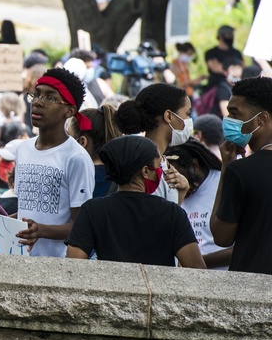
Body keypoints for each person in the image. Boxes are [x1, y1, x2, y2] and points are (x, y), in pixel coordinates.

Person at [65, 135, 204, 268]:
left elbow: (73, 265)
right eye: (158, 166)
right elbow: (196, 268)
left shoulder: (92, 210)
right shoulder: (172, 213)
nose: (160, 172)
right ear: (145, 171)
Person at [14, 68, 95, 257]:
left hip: (55, 265)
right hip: (18, 259)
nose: (38, 102)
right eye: (37, 94)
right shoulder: (22, 149)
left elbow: (81, 226)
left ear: (69, 110)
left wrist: (41, 230)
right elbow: (24, 210)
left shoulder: (76, 157)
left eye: (50, 98)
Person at [210, 76, 272, 274]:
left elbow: (221, 236)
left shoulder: (241, 171)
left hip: (251, 286)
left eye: (235, 114)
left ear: (262, 118)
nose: (228, 120)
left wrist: (227, 167)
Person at [114, 83, 191, 204]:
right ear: (169, 116)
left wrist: (182, 190)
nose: (189, 121)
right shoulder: (147, 167)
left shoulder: (161, 161)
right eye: (187, 114)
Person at [165, 139, 233, 269]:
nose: (176, 182)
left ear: (195, 165)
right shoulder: (170, 188)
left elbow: (242, 248)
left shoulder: (224, 182)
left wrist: (194, 262)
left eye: (181, 175)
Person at [67, 105, 122, 198]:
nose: (64, 141)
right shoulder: (121, 177)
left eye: (68, 136)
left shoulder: (77, 176)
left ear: (82, 142)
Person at [201, 26, 242, 117]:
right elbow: (214, 67)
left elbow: (243, 68)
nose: (231, 37)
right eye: (228, 34)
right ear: (220, 36)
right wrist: (229, 71)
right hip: (215, 89)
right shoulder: (211, 52)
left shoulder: (237, 53)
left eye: (232, 35)